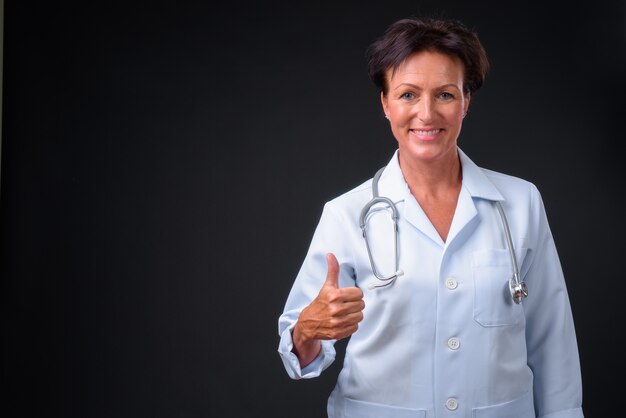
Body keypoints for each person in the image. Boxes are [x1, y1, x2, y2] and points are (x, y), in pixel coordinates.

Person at [277, 16, 584, 418]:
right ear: (385, 103)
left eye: (444, 94)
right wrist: (307, 330)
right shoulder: (346, 214)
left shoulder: (520, 203)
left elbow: (552, 342)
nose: (426, 113)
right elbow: (301, 352)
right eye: (407, 95)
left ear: (466, 102)